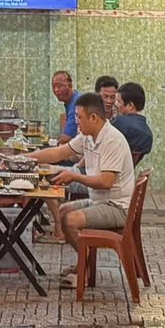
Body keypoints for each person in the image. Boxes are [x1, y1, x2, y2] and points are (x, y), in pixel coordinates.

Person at [27, 92, 137, 275]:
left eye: (79, 117)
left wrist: (74, 177)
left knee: (70, 220)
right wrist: (23, 158)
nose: (76, 121)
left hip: (117, 207)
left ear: (94, 118)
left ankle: (84, 270)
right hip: (99, 201)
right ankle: (84, 264)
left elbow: (106, 182)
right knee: (63, 211)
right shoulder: (87, 136)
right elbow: (57, 153)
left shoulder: (112, 140)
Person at [112, 82, 154, 165]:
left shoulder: (119, 122)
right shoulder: (148, 134)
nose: (115, 104)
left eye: (118, 101)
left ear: (130, 105)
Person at [49, 70, 80, 139]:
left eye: (59, 86)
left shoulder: (77, 103)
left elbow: (67, 137)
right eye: (53, 87)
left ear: (70, 86)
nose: (56, 90)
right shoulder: (69, 102)